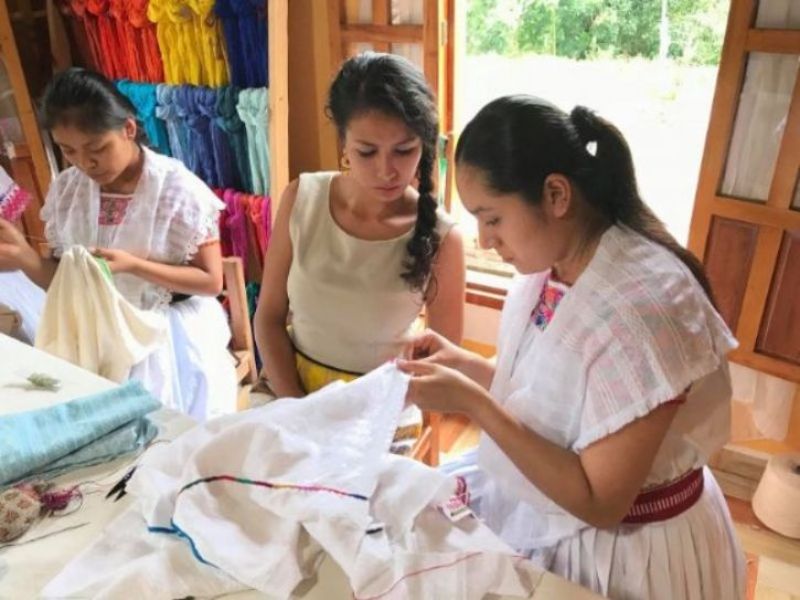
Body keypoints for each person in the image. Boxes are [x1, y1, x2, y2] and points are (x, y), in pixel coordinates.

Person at [398, 95, 745, 599]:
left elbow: (600, 500)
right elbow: (550, 404)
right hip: (559, 513)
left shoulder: (641, 309)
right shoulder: (555, 266)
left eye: (492, 218)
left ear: (556, 195)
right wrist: (466, 368)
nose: (484, 239)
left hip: (633, 552)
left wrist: (471, 402)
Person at [254, 52, 465, 453]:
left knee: (353, 509)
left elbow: (442, 363)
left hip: (381, 405)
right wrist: (299, 407)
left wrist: (362, 417)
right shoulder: (302, 199)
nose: (387, 171)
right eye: (367, 152)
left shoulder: (441, 236)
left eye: (404, 151)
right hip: (289, 385)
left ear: (423, 145)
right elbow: (267, 318)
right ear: (343, 145)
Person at [0, 68, 237, 419]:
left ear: (128, 129)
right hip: (98, 334)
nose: (85, 163)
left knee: (167, 435)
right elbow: (65, 282)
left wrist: (133, 265)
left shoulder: (177, 190)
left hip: (169, 337)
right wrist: (23, 257)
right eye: (69, 151)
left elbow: (211, 281)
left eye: (97, 148)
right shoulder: (70, 189)